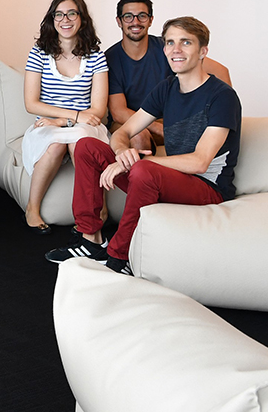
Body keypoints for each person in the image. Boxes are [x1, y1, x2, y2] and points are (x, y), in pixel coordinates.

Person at [46, 17, 239, 274]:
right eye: (170, 42)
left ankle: (119, 258)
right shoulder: (167, 88)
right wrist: (122, 153)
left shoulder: (222, 96)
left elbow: (199, 162)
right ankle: (90, 239)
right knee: (87, 146)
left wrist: (137, 161)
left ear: (203, 51)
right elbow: (124, 131)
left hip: (207, 187)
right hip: (170, 179)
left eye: (186, 42)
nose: (176, 49)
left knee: (143, 170)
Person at [20, 0, 109, 234]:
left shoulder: (96, 55)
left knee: (80, 142)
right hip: (48, 125)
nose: (65, 19)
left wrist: (65, 120)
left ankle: (97, 210)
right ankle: (32, 208)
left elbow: (98, 109)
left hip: (84, 125)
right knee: (57, 145)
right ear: (52, 19)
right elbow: (31, 104)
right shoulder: (39, 53)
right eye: (58, 14)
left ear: (82, 18)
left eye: (71, 13)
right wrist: (71, 117)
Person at [106, 0, 232, 155]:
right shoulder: (111, 58)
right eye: (128, 17)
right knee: (138, 134)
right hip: (131, 123)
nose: (135, 22)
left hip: (168, 121)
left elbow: (221, 71)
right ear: (119, 21)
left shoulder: (168, 48)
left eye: (142, 16)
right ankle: (140, 171)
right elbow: (118, 112)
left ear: (151, 20)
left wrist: (220, 112)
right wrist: (157, 128)